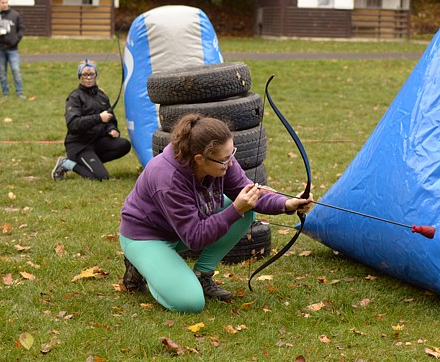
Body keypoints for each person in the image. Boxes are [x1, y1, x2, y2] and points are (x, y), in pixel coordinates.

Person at [118, 113, 312, 312]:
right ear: (199, 159)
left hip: (182, 228)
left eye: (231, 154)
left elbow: (248, 192)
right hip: (147, 237)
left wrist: (288, 203)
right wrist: (235, 209)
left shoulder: (220, 160)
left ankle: (202, 275)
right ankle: (143, 265)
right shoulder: (167, 178)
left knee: (246, 211)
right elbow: (194, 237)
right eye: (224, 160)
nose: (230, 163)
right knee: (190, 303)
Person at [51, 60, 131, 181]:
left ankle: (94, 164)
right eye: (84, 75)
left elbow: (110, 119)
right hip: (79, 145)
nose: (88, 78)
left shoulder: (102, 96)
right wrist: (98, 118)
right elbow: (73, 124)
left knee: (124, 144)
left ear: (95, 76)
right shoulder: (75, 97)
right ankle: (66, 163)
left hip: (97, 142)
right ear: (80, 77)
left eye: (91, 74)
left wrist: (112, 129)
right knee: (102, 177)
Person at [0, 0, 25, 100]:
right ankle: (5, 93)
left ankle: (20, 93)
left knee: (16, 70)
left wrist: (16, 39)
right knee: (2, 72)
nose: (5, 4)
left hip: (12, 49)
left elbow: (21, 29)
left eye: (6, 2)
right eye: (3, 2)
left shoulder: (15, 15)